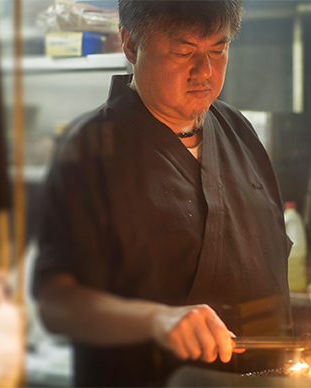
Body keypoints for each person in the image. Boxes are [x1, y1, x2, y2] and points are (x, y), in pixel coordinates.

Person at [32, 0, 293, 386]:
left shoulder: (239, 132)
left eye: (218, 50)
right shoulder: (89, 148)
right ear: (131, 46)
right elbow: (57, 303)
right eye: (183, 51)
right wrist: (157, 320)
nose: (204, 71)